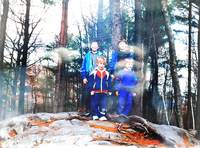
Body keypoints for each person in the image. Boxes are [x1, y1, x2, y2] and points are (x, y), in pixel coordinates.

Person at [80, 41, 102, 115]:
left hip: (98, 76)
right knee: (87, 93)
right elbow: (83, 67)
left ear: (98, 47)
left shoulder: (101, 55)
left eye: (96, 46)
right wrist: (84, 77)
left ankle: (94, 110)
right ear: (91, 47)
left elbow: (104, 66)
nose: (94, 47)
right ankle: (85, 110)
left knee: (96, 93)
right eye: (93, 46)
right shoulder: (87, 55)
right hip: (89, 76)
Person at [88, 56, 112, 120]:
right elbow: (90, 82)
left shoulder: (107, 73)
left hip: (104, 92)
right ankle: (95, 114)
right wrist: (91, 90)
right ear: (97, 64)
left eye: (103, 64)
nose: (102, 65)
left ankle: (102, 115)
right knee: (94, 103)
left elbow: (109, 82)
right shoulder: (94, 73)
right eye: (100, 63)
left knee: (103, 104)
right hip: (95, 92)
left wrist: (109, 90)